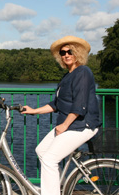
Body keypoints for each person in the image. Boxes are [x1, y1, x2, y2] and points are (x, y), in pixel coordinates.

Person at [21, 36, 101, 195]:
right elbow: (56, 104)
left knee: (49, 159)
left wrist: (64, 125)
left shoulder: (83, 72)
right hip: (69, 125)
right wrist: (33, 110)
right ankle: (57, 188)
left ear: (77, 53)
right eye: (63, 52)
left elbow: (80, 106)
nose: (66, 55)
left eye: (70, 51)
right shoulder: (67, 76)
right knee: (41, 151)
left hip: (82, 125)